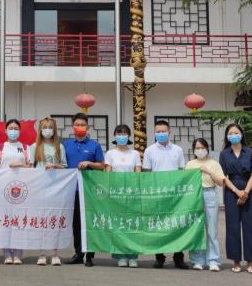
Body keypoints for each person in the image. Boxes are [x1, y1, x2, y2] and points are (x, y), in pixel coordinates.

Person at [143, 119, 189, 269]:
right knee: (159, 225)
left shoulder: (178, 150)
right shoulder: (149, 150)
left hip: (175, 195)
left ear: (169, 132)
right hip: (157, 194)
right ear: (154, 133)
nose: (161, 134)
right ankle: (159, 256)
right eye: (158, 132)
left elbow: (182, 171)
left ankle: (178, 257)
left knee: (176, 224)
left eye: (163, 131)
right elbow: (147, 173)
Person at [62, 113, 106, 267]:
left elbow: (102, 165)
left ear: (88, 127)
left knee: (90, 222)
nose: (80, 127)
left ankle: (90, 255)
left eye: (83, 125)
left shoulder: (94, 145)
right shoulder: (66, 145)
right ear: (72, 127)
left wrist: (89, 163)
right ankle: (79, 253)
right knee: (76, 223)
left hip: (89, 191)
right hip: (71, 190)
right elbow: (62, 165)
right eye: (77, 125)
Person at [219, 123, 252, 274]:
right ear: (227, 137)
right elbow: (224, 176)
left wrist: (245, 193)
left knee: (251, 227)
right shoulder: (224, 154)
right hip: (231, 191)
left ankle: (250, 262)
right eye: (230, 133)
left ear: (241, 134)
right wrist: (237, 192)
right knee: (233, 227)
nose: (233, 135)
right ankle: (236, 261)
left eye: (236, 132)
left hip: (248, 191)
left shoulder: (250, 152)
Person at [28, 117, 66, 266]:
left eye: (50, 127)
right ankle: (42, 253)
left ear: (54, 130)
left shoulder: (59, 147)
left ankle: (54, 253)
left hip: (55, 188)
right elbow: (31, 168)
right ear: (40, 130)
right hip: (39, 188)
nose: (47, 130)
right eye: (45, 127)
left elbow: (64, 167)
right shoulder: (34, 147)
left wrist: (55, 166)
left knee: (54, 221)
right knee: (41, 221)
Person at [0, 119, 32, 264]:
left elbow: (31, 168)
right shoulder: (0, 147)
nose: (13, 131)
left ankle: (17, 254)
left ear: (20, 131)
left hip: (21, 190)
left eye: (16, 128)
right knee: (5, 221)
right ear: (5, 130)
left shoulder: (25, 147)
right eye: (11, 128)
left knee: (19, 220)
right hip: (4, 189)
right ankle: (6, 254)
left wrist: (20, 165)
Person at [104, 124, 142, 268]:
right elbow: (108, 173)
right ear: (115, 136)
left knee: (132, 224)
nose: (121, 136)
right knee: (118, 224)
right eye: (119, 134)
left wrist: (136, 189)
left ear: (129, 136)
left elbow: (138, 173)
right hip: (116, 194)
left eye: (124, 133)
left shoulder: (135, 153)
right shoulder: (110, 154)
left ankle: (132, 256)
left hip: (131, 194)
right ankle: (120, 256)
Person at [186, 138, 226, 271]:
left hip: (209, 193)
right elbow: (186, 182)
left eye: (202, 148)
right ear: (193, 150)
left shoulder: (214, 163)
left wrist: (208, 171)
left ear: (207, 148)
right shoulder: (190, 164)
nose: (200, 150)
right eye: (197, 148)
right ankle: (197, 260)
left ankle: (213, 260)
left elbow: (220, 182)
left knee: (211, 229)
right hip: (194, 195)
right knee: (196, 229)